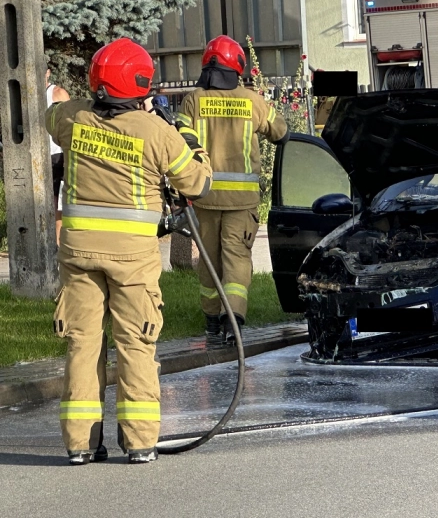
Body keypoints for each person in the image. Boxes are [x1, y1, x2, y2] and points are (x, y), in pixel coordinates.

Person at [46, 38, 213, 464]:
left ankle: (80, 445)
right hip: (131, 260)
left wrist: (94, 103)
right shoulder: (156, 132)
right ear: (141, 84)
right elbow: (197, 183)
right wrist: (186, 133)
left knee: (83, 343)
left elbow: (52, 117)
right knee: (136, 343)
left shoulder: (73, 118)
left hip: (79, 252)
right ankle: (139, 444)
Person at [175, 35, 287, 342]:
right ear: (238, 65)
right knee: (237, 259)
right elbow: (281, 131)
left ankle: (212, 320)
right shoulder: (252, 100)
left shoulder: (193, 100)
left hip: (205, 197)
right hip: (242, 201)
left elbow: (180, 138)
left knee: (209, 261)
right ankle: (233, 319)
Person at [46, 66, 70, 241]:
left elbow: (70, 123)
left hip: (56, 155)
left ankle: (57, 244)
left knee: (57, 204)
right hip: (36, 155)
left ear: (48, 72)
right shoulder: (24, 92)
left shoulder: (58, 93)